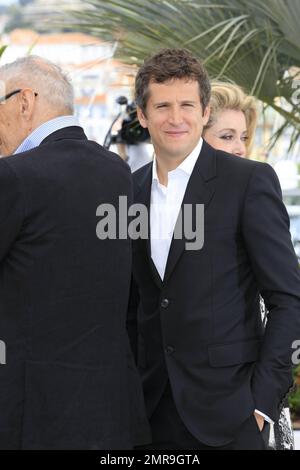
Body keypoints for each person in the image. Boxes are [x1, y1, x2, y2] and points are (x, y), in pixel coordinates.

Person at [128, 48, 300, 450]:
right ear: (142, 115)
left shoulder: (248, 182)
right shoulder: (128, 190)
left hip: (232, 416)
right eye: (163, 105)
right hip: (149, 416)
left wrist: (261, 402)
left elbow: (289, 299)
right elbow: (131, 305)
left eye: (187, 105)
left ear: (205, 111)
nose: (175, 118)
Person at [0, 55, 150, 449]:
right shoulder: (118, 173)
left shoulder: (14, 176)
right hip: (110, 410)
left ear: (24, 102)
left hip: (32, 416)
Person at [203, 81, 295, 450]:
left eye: (242, 136)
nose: (240, 146)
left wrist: (261, 402)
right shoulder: (154, 195)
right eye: (227, 136)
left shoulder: (254, 188)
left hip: (246, 404)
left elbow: (289, 300)